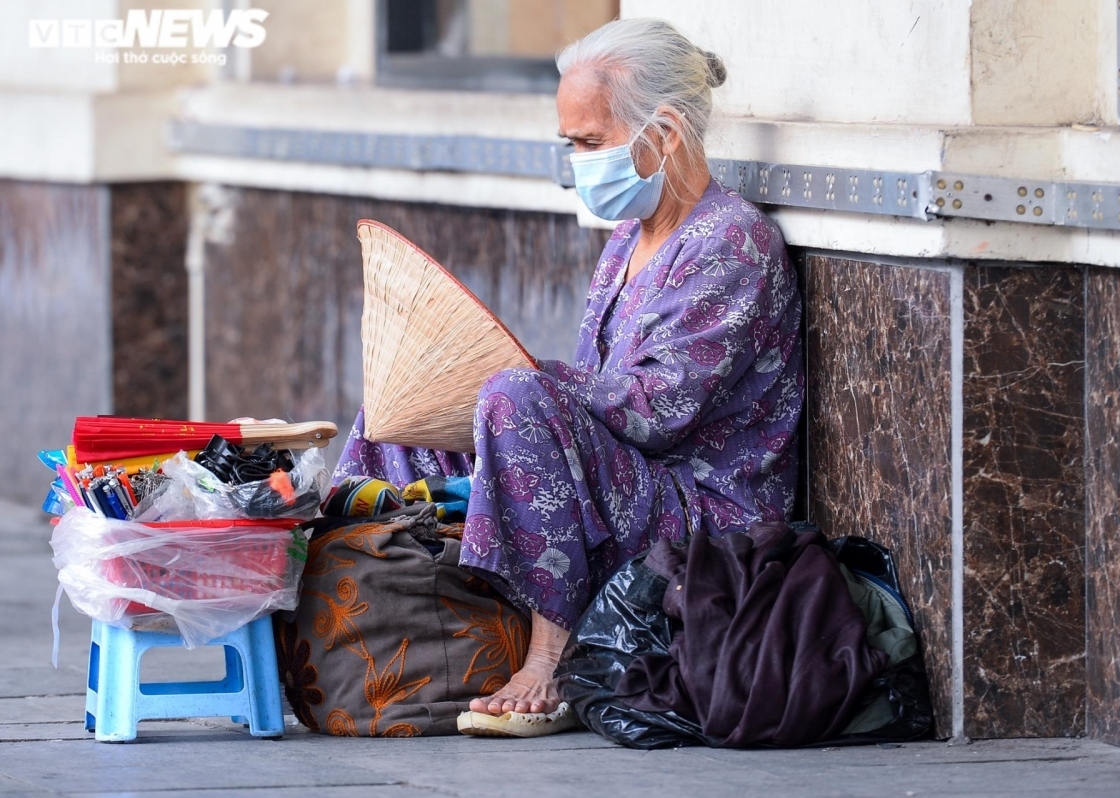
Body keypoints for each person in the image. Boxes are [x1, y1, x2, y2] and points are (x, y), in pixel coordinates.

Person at [335, 17, 804, 733]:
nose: (579, 161)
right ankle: (351, 602)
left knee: (515, 396)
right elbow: (593, 398)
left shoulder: (732, 241)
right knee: (398, 416)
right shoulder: (629, 240)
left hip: (707, 509)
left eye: (591, 142)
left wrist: (525, 379)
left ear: (665, 134)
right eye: (573, 144)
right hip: (634, 477)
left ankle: (548, 656)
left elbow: (657, 414)